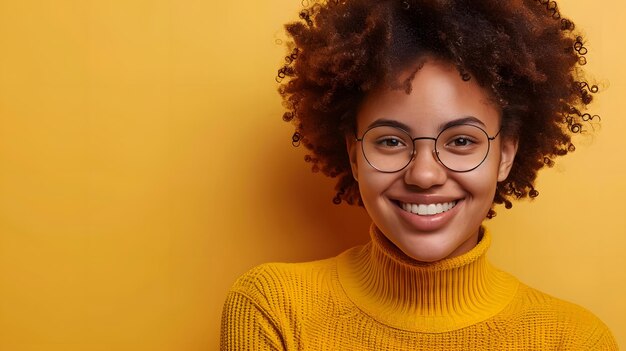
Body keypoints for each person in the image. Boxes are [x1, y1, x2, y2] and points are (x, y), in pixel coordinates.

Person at [221, 0, 618, 349]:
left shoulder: (573, 340)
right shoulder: (273, 309)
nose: (424, 174)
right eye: (391, 141)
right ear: (353, 153)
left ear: (505, 154)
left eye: (461, 141)